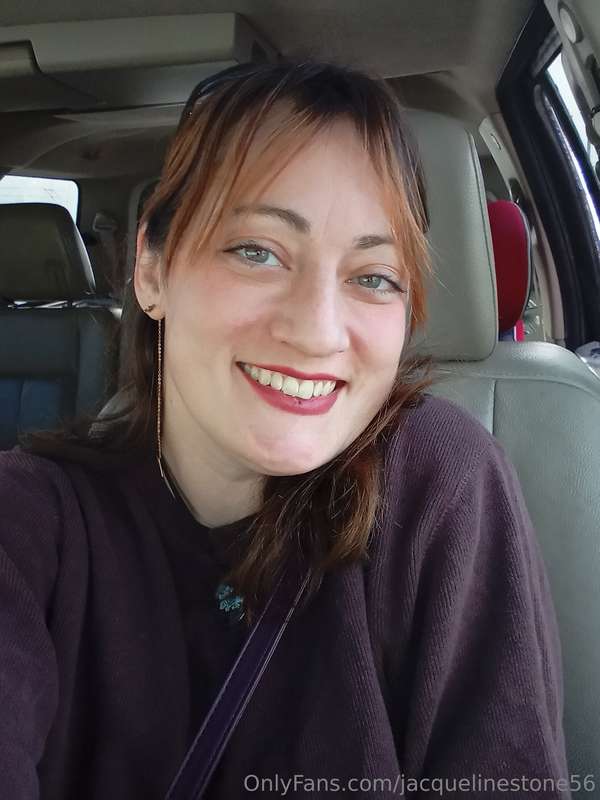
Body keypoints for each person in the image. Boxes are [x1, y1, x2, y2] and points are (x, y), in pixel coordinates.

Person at [0, 60, 571, 799]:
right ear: (152, 269)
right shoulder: (28, 521)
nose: (317, 332)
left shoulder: (439, 481)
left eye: (373, 277)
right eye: (257, 252)